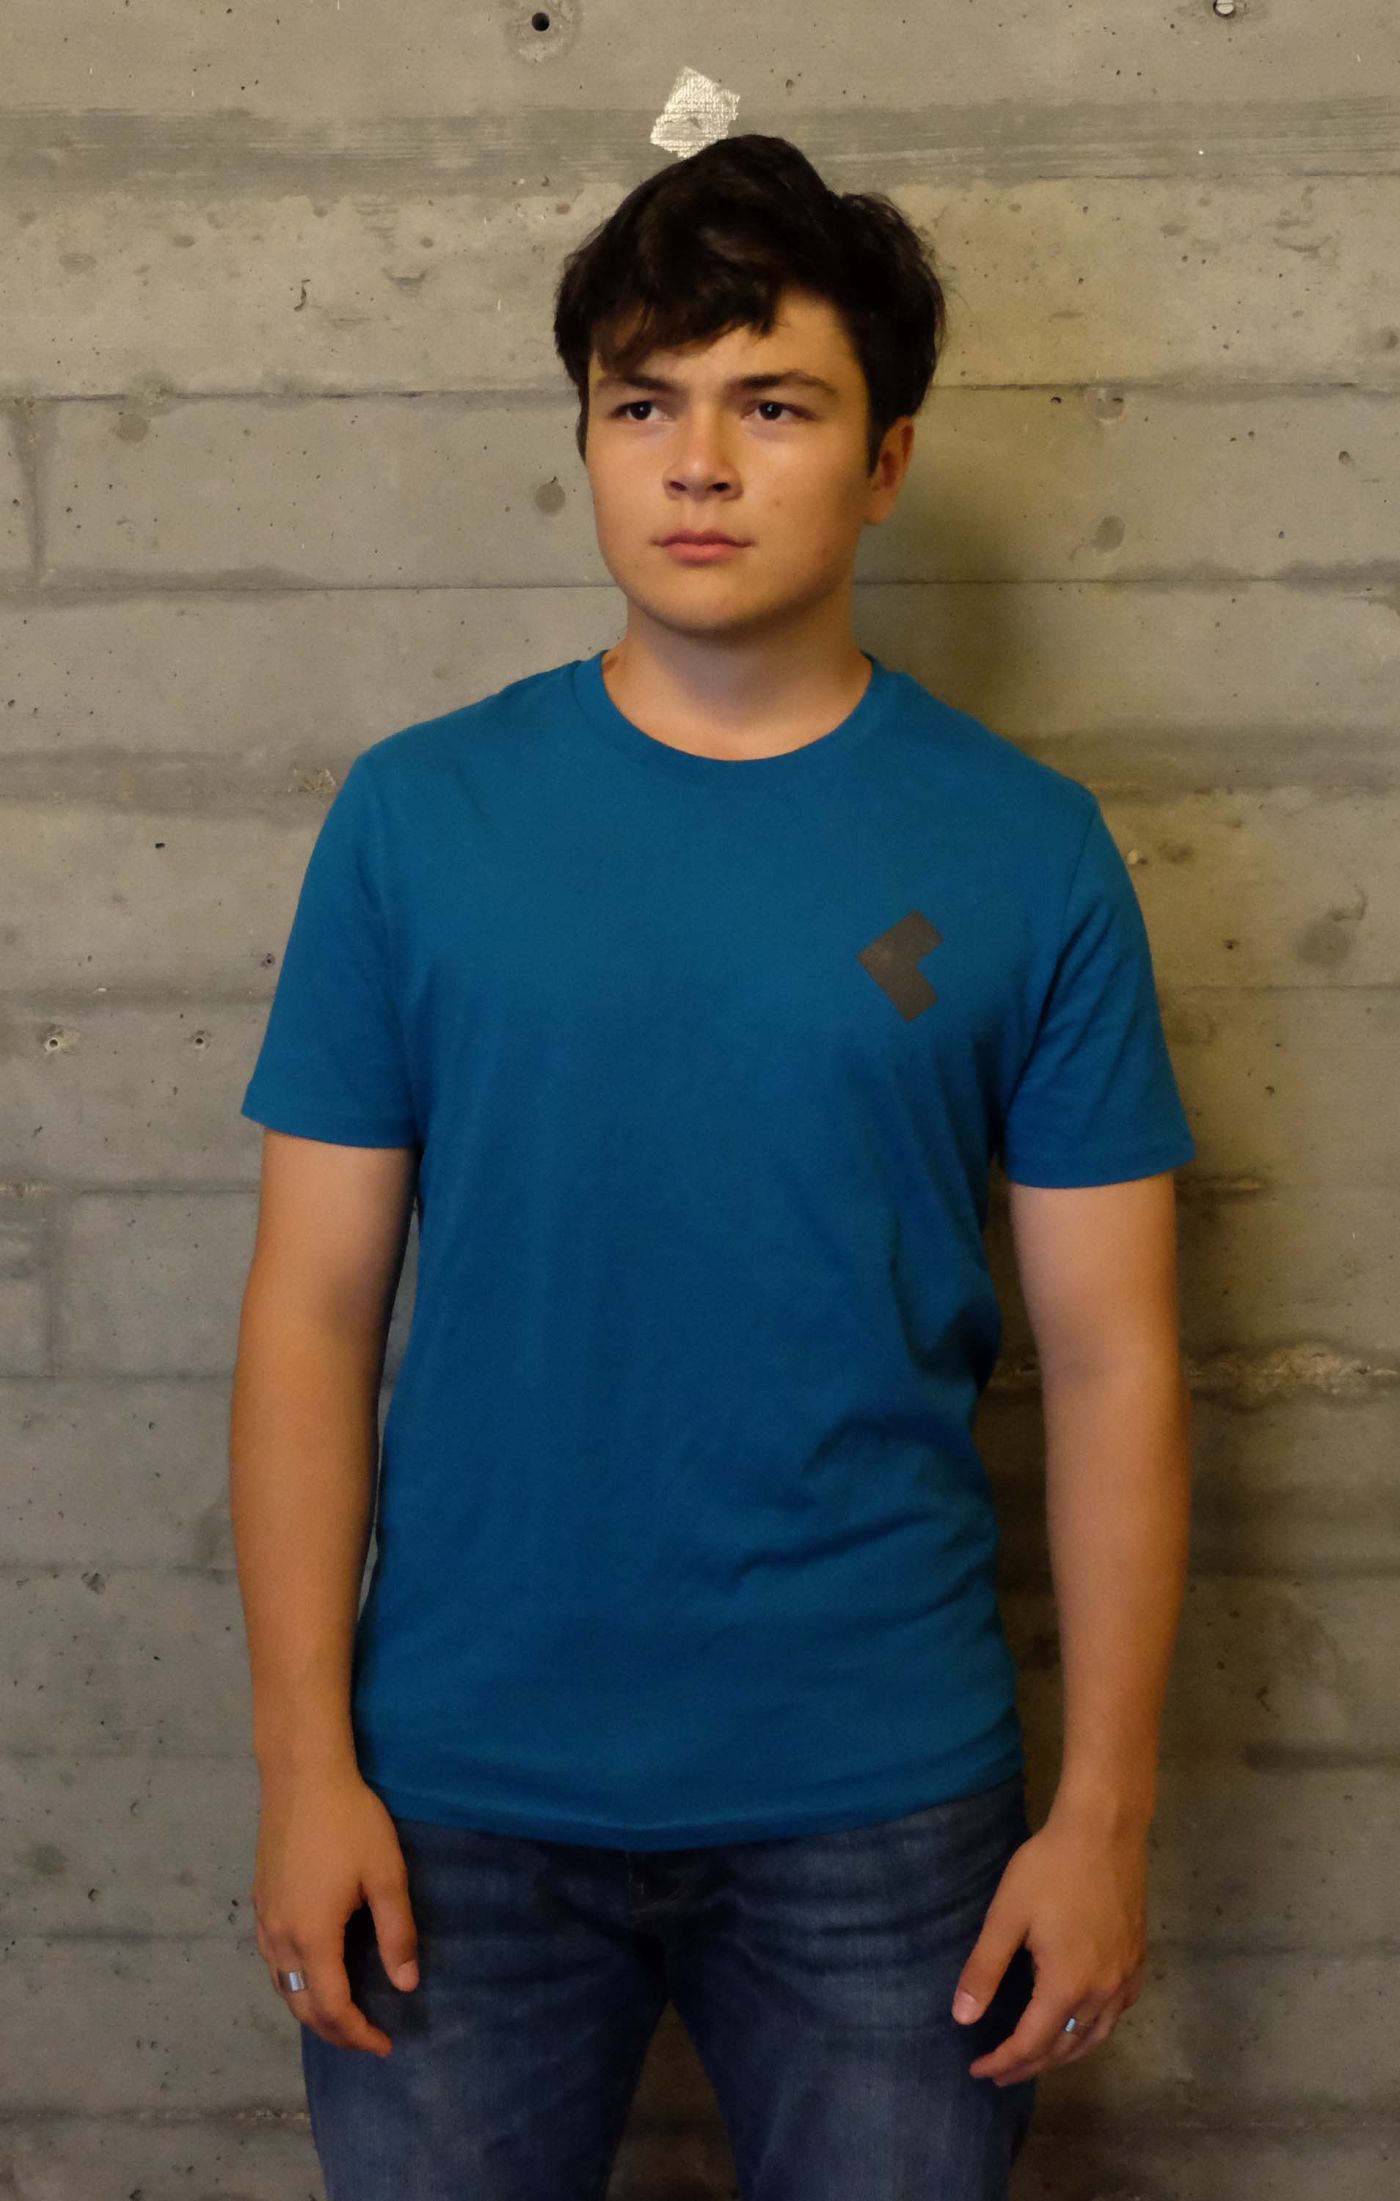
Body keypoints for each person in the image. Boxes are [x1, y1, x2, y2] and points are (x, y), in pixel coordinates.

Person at [229, 133, 1195, 2201]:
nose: (695, 464)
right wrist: (304, 1764)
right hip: (454, 1797)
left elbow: (1117, 1358)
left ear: (887, 458)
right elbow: (311, 1313)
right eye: (641, 405)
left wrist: (1103, 1815)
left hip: (883, 1808)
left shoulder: (1027, 853)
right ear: (586, 439)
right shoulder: (417, 822)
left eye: (773, 406)